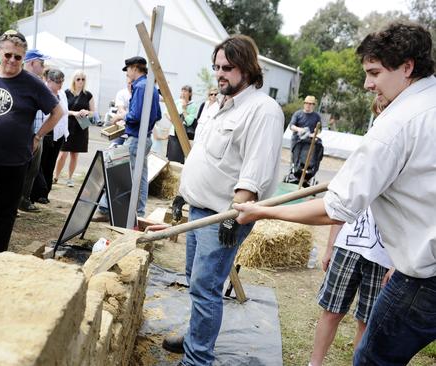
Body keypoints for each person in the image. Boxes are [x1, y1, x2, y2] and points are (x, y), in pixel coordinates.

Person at [234, 22, 436, 365]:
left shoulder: (396, 122)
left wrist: (262, 211)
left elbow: (335, 209)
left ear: (407, 67)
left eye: (374, 72)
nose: (367, 84)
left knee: (372, 359)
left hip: (423, 281)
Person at [161, 35, 284, 365]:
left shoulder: (262, 110)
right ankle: (194, 337)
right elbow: (202, 157)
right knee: (195, 280)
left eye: (228, 68)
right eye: (216, 67)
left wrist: (233, 215)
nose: (220, 74)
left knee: (206, 287)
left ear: (247, 68)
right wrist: (182, 195)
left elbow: (255, 170)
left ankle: (197, 358)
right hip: (199, 209)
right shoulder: (216, 105)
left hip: (222, 216)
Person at [0, 30, 63, 254]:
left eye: (18, 57)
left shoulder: (32, 83)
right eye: (7, 54)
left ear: (24, 58)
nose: (11, 60)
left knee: (6, 212)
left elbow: (57, 112)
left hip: (16, 160)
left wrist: (38, 136)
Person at [310, 206, 393, 366]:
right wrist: (330, 248)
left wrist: (397, 264)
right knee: (332, 311)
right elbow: (343, 206)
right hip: (347, 247)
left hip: (384, 258)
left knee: (367, 321)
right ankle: (314, 364)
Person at [92, 56, 162, 221]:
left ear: (135, 68)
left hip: (136, 138)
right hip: (145, 137)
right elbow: (157, 114)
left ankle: (105, 209)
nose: (128, 73)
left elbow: (135, 115)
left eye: (128, 70)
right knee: (141, 177)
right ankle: (139, 212)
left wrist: (122, 115)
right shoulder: (151, 86)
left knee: (120, 173)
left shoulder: (140, 86)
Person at [31, 68, 69, 204]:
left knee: (50, 165)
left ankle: (45, 193)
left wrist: (65, 132)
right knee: (40, 165)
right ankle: (37, 193)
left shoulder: (62, 94)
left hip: (58, 135)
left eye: (62, 81)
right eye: (58, 81)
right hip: (45, 133)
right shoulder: (44, 92)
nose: (60, 84)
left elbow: (65, 113)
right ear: (49, 80)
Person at [19, 49, 50, 212]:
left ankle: (23, 199)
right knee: (22, 170)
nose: (44, 67)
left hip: (37, 133)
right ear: (31, 63)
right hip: (28, 135)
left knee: (33, 169)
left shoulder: (36, 82)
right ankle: (18, 201)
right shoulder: (23, 80)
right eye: (41, 63)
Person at [54, 70, 95, 187]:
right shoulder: (66, 93)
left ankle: (70, 178)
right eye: (78, 79)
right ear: (74, 80)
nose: (81, 82)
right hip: (68, 124)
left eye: (83, 79)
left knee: (75, 154)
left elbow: (93, 112)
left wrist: (87, 112)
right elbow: (62, 109)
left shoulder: (88, 95)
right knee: (62, 153)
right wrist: (74, 113)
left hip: (81, 126)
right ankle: (56, 176)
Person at [166, 85, 198, 164]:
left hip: (183, 134)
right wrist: (172, 120)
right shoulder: (177, 101)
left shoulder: (193, 105)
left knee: (179, 160)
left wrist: (184, 109)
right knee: (171, 158)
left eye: (186, 91)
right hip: (173, 133)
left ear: (190, 94)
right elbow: (166, 112)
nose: (183, 93)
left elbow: (189, 121)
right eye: (182, 90)